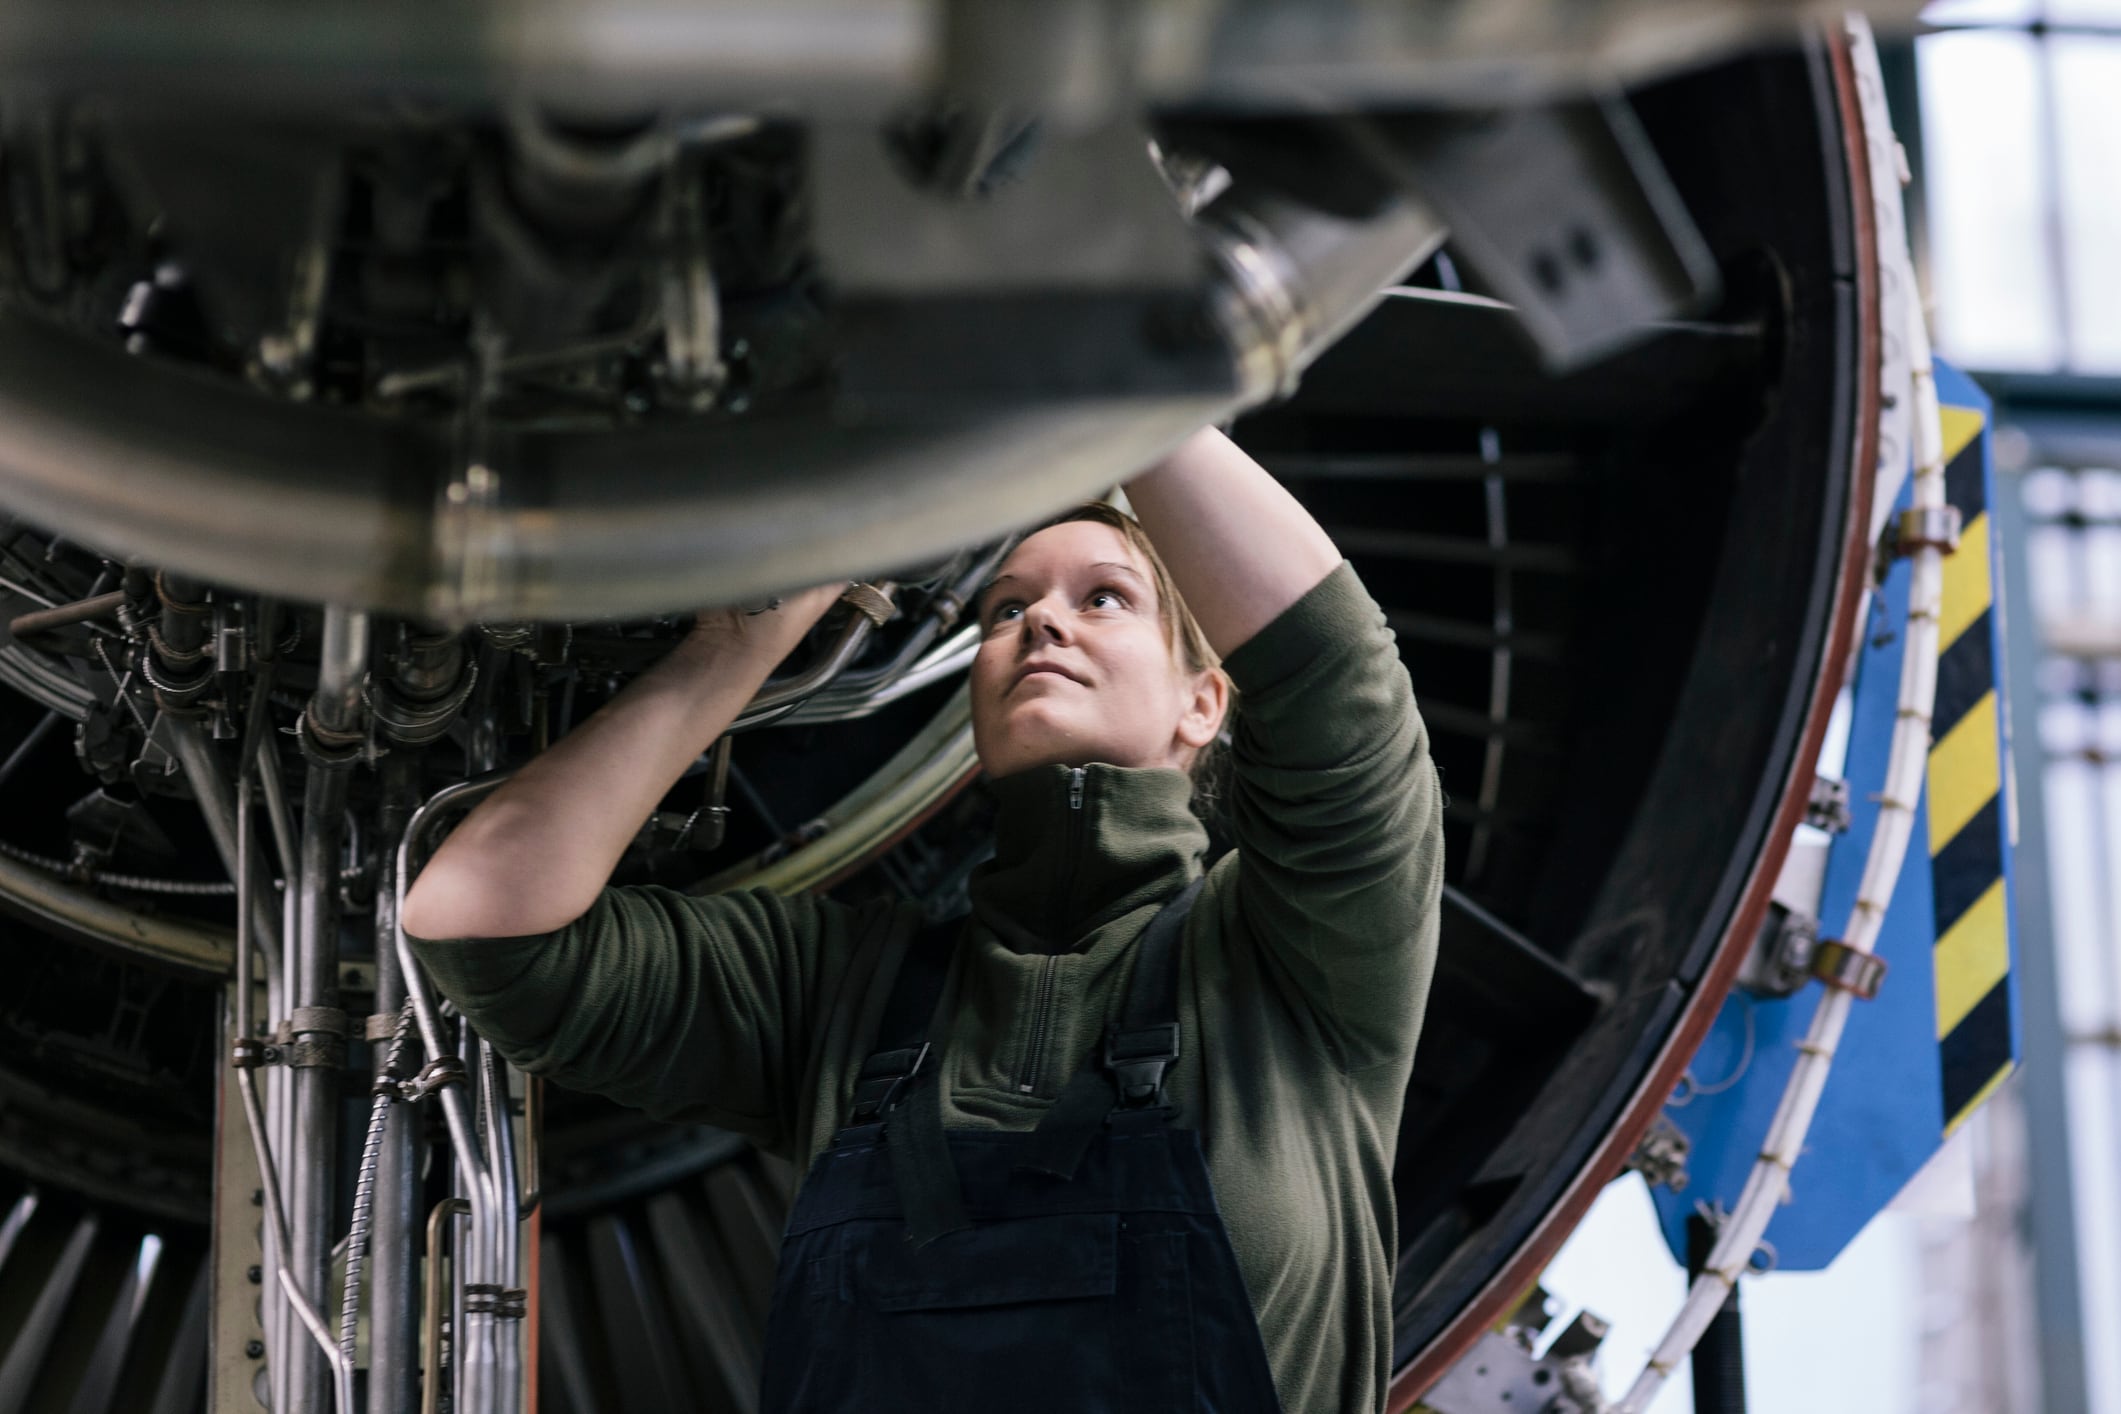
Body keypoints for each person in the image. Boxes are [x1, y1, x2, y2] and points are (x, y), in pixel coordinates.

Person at [402, 426, 1444, 1413]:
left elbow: (1337, 676)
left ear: (1205, 703)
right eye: (1002, 610)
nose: (1041, 622)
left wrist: (1104, 367)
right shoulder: (841, 997)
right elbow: (481, 924)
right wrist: (741, 641)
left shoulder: (1293, 954)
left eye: (1106, 598)